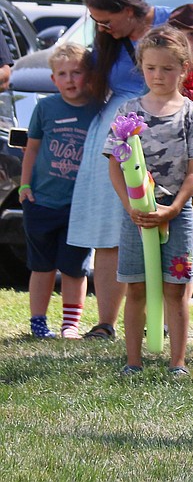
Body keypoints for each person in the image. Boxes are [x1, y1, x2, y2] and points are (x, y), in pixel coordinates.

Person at [69, 0, 173, 341]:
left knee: (158, 227)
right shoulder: (108, 41)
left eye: (106, 20)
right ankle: (106, 322)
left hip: (162, 130)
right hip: (114, 134)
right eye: (96, 20)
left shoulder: (170, 20)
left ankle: (158, 317)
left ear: (129, 10)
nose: (101, 27)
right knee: (109, 229)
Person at [104, 26, 193, 376]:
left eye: (167, 68)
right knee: (135, 286)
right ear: (141, 67)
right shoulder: (128, 113)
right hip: (135, 215)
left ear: (184, 68)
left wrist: (175, 207)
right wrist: (129, 206)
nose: (158, 75)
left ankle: (177, 363)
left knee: (176, 288)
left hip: (176, 214)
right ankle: (133, 361)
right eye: (151, 68)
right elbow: (115, 167)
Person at [20, 43, 98, 339]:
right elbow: (33, 148)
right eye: (62, 74)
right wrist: (25, 185)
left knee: (74, 268)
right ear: (53, 80)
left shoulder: (97, 110)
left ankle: (70, 324)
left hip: (79, 205)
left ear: (89, 75)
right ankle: (38, 322)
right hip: (42, 201)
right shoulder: (46, 108)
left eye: (77, 72)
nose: (70, 79)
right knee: (40, 266)